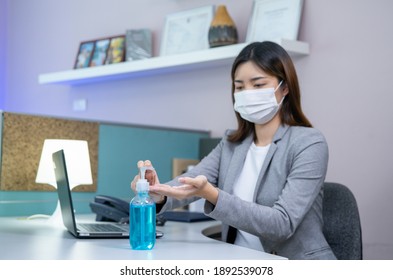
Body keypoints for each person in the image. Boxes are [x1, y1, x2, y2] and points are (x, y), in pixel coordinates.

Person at [131, 41, 336, 260]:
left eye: (258, 85)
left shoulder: (309, 143)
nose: (247, 93)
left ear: (284, 87)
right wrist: (157, 192)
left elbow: (281, 223)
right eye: (239, 87)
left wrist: (213, 195)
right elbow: (190, 181)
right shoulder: (231, 143)